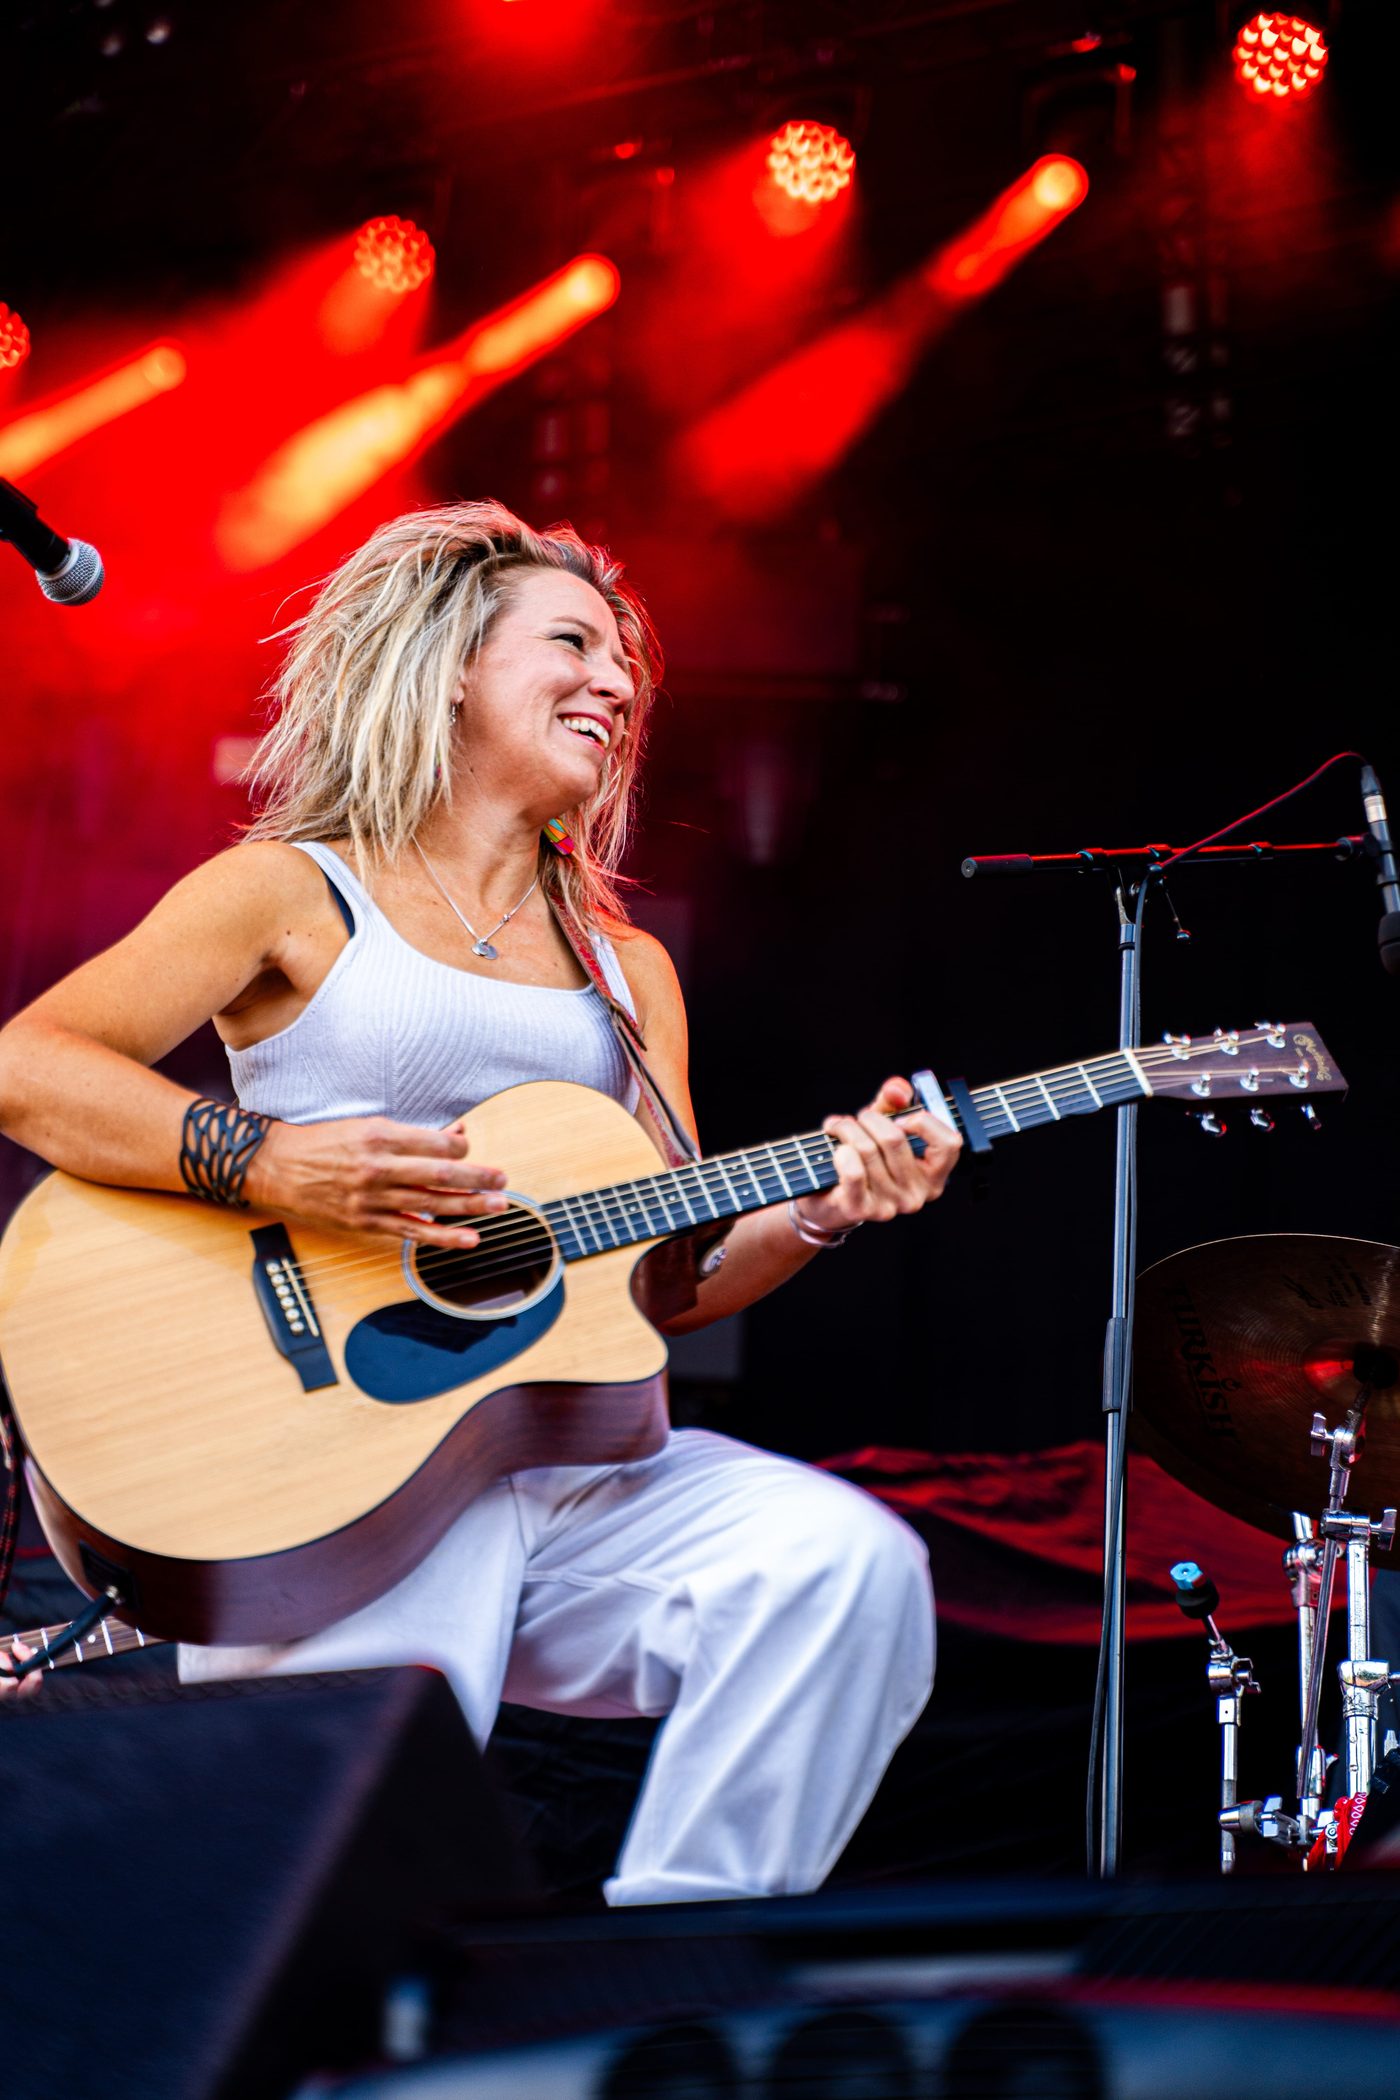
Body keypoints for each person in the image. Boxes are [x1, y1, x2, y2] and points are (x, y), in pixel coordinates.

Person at [0, 501, 959, 1901]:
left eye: (628, 665)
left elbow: (672, 1274)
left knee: (838, 1571)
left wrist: (825, 1205)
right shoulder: (293, 890)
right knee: (339, 1897)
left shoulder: (631, 976)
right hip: (322, 1456)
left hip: (549, 1458)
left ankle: (683, 1969)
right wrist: (269, 1162)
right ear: (452, 663)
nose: (617, 684)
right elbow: (29, 1064)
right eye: (572, 641)